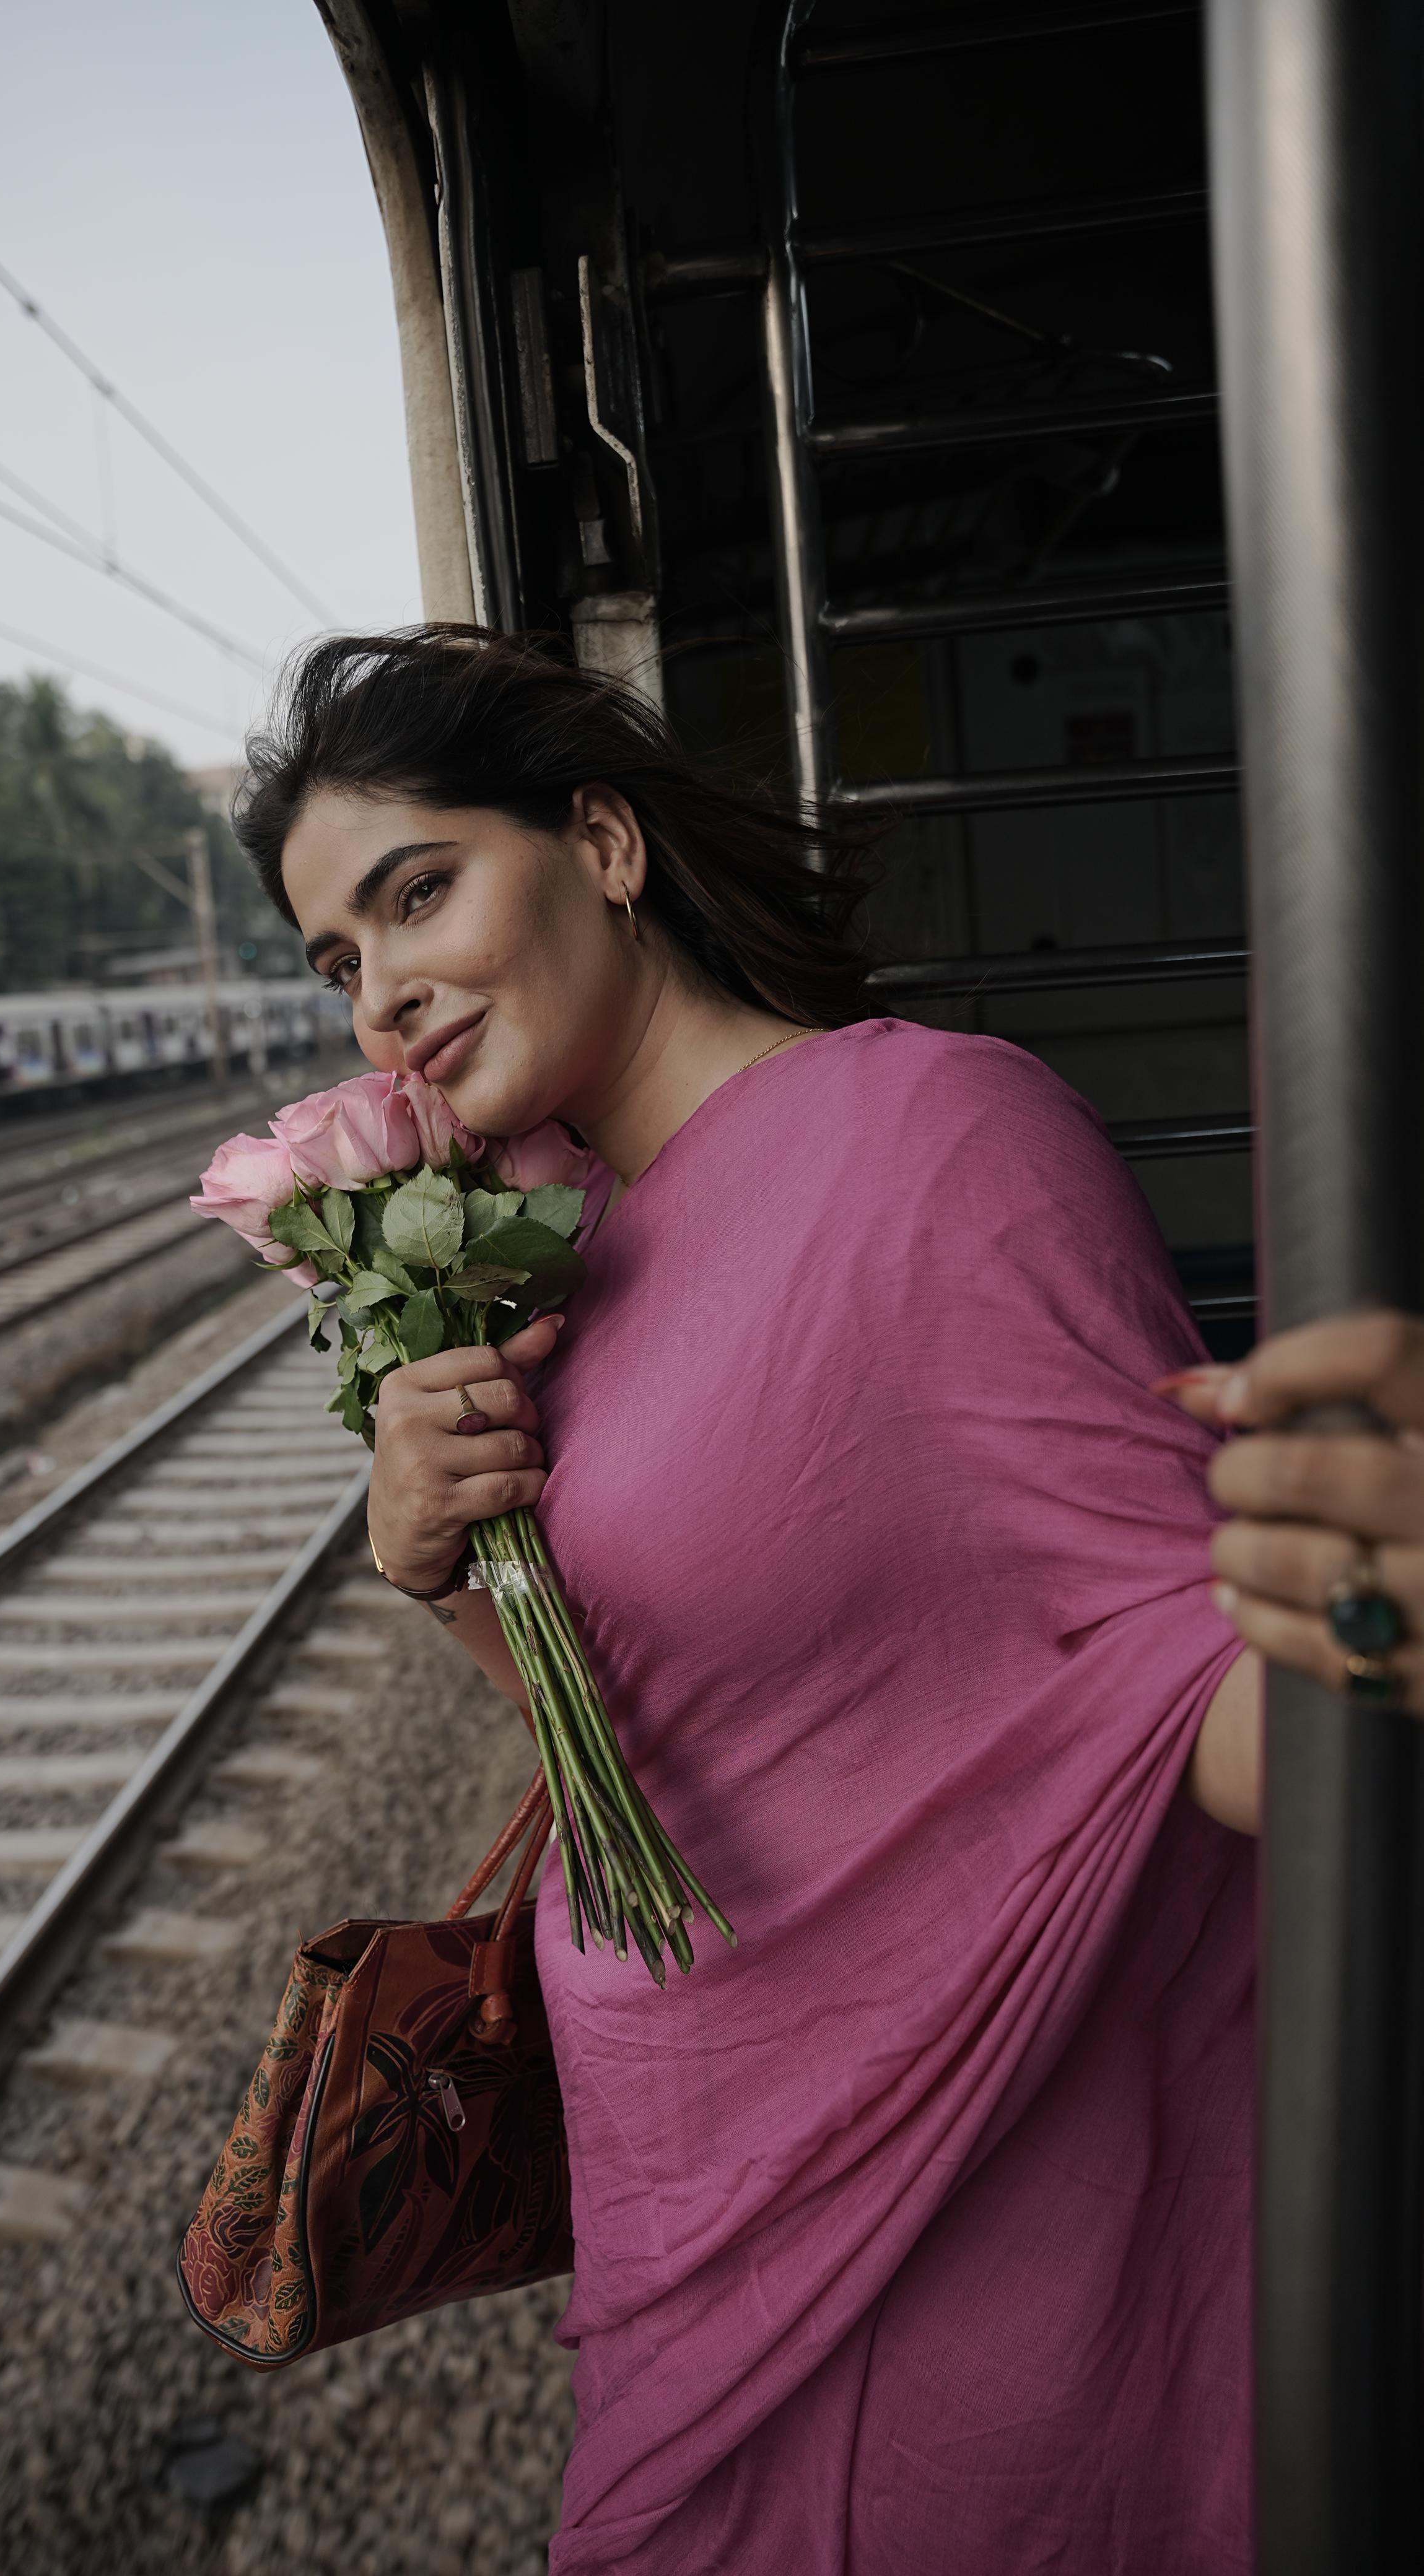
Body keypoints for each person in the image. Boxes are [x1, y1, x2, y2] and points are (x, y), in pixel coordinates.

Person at [235, 626, 1419, 2574]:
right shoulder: (552, 1257)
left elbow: (1170, 1685)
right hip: (676, 2185)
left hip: (944, 2194)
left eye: (416, 894)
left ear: (602, 842)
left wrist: (1368, 1625)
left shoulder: (932, 1138)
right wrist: (437, 1562)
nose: (384, 997)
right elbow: (652, 1733)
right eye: (338, 964)